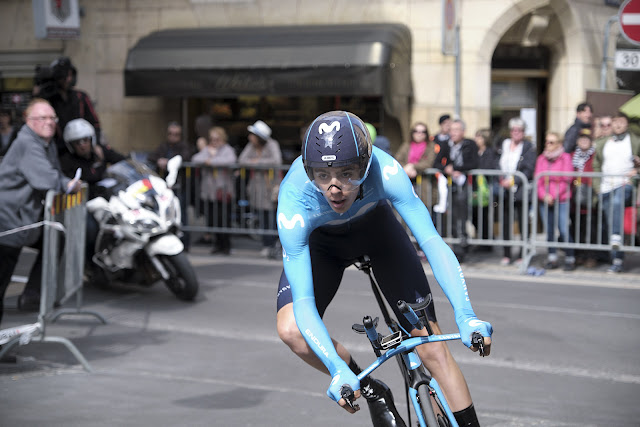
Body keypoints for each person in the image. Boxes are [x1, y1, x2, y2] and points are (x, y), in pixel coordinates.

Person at [276, 111, 493, 427]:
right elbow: (305, 303)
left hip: (377, 234)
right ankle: (373, 389)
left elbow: (431, 242)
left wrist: (465, 314)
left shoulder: (386, 169)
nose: (335, 187)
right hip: (321, 247)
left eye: (348, 173)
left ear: (365, 164)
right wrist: (338, 369)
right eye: (322, 175)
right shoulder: (294, 199)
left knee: (431, 346)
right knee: (291, 331)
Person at [0, 98, 82, 324]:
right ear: (28, 121)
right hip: (8, 222)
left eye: (52, 118)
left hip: (21, 221)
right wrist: (67, 184)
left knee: (55, 238)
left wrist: (65, 183)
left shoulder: (46, 144)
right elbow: (46, 178)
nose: (49, 122)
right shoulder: (28, 143)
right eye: (42, 118)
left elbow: (52, 172)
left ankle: (33, 295)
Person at [59, 118, 126, 269]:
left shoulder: (100, 151)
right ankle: (91, 263)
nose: (83, 145)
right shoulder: (67, 161)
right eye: (78, 142)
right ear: (71, 145)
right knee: (91, 230)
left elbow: (123, 161)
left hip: (108, 200)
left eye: (85, 140)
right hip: (85, 205)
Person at [592, 112, 640, 273]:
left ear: (626, 124)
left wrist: (637, 169)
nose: (618, 125)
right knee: (611, 223)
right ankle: (617, 260)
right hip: (606, 187)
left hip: (625, 184)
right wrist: (597, 186)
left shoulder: (634, 141)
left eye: (621, 122)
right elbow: (596, 164)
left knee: (618, 203)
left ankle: (617, 241)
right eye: (615, 122)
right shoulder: (603, 142)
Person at [36, 57, 102, 156]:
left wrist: (96, 144)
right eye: (63, 76)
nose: (68, 79)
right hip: (60, 152)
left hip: (83, 150)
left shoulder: (81, 97)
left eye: (70, 75)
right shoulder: (48, 100)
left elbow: (95, 123)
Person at [238, 120, 283, 256]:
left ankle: (274, 244)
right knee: (262, 217)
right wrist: (260, 163)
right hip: (257, 188)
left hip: (270, 186)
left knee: (272, 216)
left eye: (252, 134)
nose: (249, 137)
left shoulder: (272, 144)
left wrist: (256, 163)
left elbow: (276, 161)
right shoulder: (251, 146)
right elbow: (241, 160)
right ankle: (267, 244)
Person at [496, 117, 537, 265]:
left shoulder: (528, 147)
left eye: (519, 130)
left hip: (520, 190)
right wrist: (500, 179)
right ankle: (507, 254)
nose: (516, 132)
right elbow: (497, 162)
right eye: (513, 130)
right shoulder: (505, 144)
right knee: (506, 223)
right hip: (505, 190)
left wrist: (514, 180)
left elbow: (528, 168)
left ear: (523, 132)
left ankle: (522, 254)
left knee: (522, 223)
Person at [191, 126, 237, 254]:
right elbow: (195, 159)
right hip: (210, 192)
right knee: (212, 219)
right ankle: (217, 244)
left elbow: (230, 160)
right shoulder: (208, 149)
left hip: (224, 191)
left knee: (224, 219)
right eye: (211, 139)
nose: (214, 142)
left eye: (217, 139)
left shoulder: (228, 150)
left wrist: (212, 160)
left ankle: (225, 245)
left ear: (222, 139)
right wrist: (209, 157)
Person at [534, 132, 576, 271]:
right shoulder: (541, 158)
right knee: (550, 231)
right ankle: (552, 257)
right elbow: (538, 179)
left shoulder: (565, 158)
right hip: (545, 200)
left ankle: (570, 258)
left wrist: (554, 195)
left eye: (551, 142)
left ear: (559, 144)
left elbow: (567, 179)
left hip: (562, 199)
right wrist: (544, 195)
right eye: (546, 141)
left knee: (564, 229)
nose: (548, 145)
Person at [148, 121, 193, 249]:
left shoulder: (184, 146)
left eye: (176, 134)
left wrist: (168, 162)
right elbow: (151, 157)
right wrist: (159, 161)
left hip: (180, 186)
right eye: (170, 134)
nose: (173, 137)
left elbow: (185, 157)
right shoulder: (163, 146)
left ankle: (184, 243)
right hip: (165, 187)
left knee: (181, 215)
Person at [444, 119, 479, 261]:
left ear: (463, 132)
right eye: (451, 130)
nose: (453, 133)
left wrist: (457, 169)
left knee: (462, 215)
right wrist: (446, 169)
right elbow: (437, 161)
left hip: (465, 184)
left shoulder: (469, 144)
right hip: (450, 184)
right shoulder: (446, 144)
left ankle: (463, 245)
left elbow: (474, 163)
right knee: (452, 216)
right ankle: (456, 247)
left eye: (456, 130)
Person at [570, 129, 600, 268]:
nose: (584, 141)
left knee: (591, 230)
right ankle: (579, 255)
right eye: (582, 138)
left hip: (590, 199)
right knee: (577, 229)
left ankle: (591, 256)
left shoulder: (595, 156)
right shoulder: (572, 156)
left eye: (587, 139)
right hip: (575, 200)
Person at [472, 128, 498, 249]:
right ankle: (483, 238)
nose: (476, 139)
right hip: (474, 186)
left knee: (484, 215)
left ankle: (487, 241)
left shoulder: (490, 152)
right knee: (474, 216)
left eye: (479, 137)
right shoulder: (474, 151)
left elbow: (489, 167)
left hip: (485, 187)